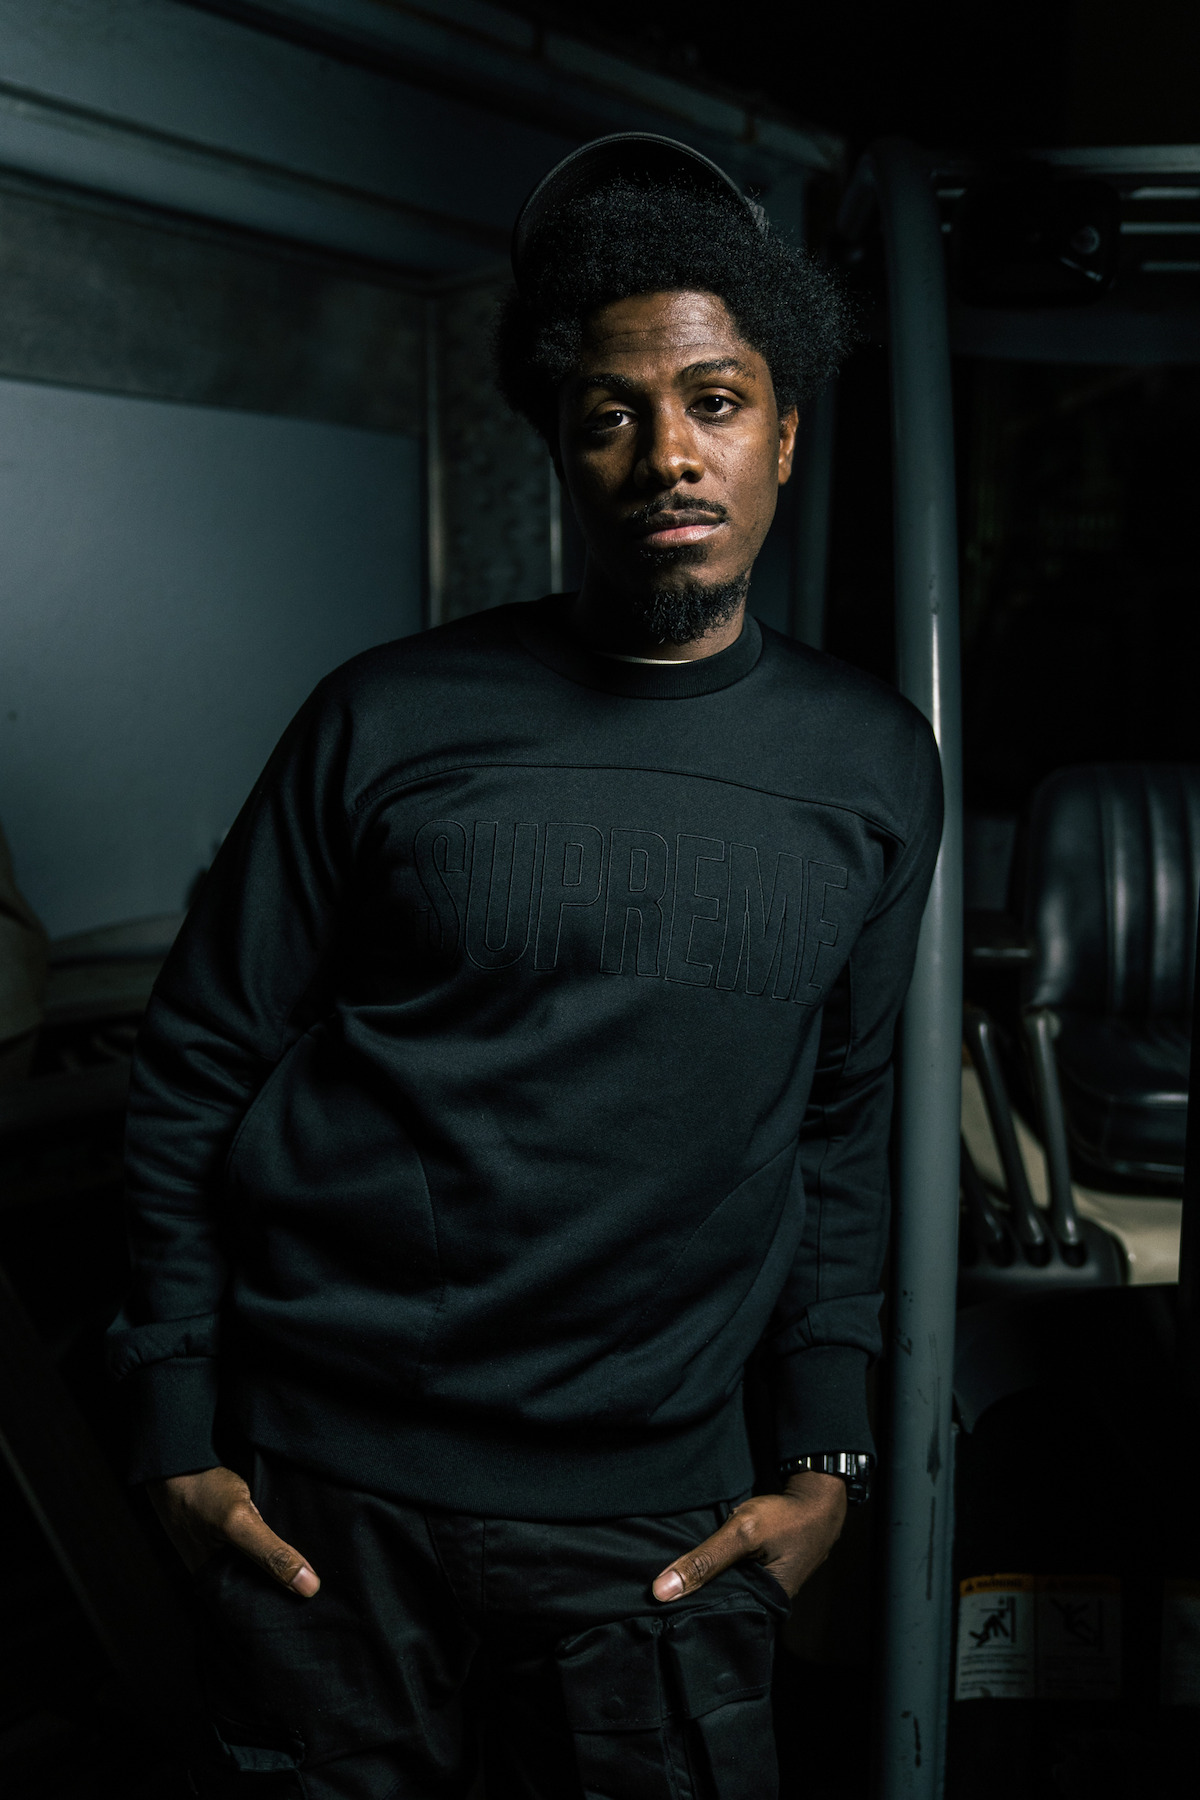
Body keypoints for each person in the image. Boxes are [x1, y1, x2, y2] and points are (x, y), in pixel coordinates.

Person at [109, 134, 942, 1798]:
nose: (668, 459)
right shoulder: (385, 719)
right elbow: (196, 1063)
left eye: (714, 402)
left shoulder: (872, 764)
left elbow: (843, 1121)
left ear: (784, 430)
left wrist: (827, 1449)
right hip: (328, 1502)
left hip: (660, 1521)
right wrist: (172, 1421)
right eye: (615, 413)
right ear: (564, 444)